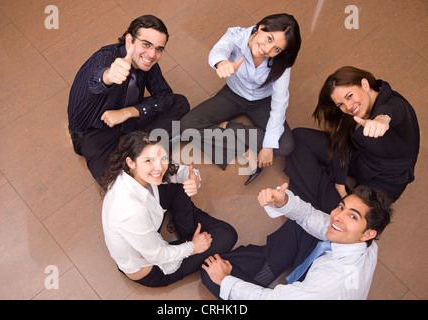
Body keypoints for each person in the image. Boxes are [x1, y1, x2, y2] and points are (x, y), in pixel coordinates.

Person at [200, 182, 393, 300]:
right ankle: (264, 271)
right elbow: (311, 217)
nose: (337, 216)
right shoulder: (365, 243)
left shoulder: (331, 281)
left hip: (314, 292)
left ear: (368, 233)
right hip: (315, 285)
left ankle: (254, 280)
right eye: (341, 207)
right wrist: (283, 202)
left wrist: (225, 280)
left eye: (352, 217)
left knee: (212, 275)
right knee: (304, 225)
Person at [100, 131, 237, 287]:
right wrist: (193, 247)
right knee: (227, 235)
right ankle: (190, 231)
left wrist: (193, 180)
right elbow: (157, 255)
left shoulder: (130, 173)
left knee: (178, 181)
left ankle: (188, 229)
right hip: (152, 266)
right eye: (149, 160)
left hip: (147, 227)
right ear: (131, 162)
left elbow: (181, 171)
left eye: (163, 158)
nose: (159, 167)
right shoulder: (131, 211)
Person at [180, 14, 301, 185]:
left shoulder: (282, 63)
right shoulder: (237, 36)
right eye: (268, 38)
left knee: (286, 145)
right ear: (261, 26)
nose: (267, 49)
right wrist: (222, 63)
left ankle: (230, 128)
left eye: (276, 49)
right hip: (233, 95)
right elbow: (219, 50)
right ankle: (243, 148)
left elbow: (280, 104)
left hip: (262, 102)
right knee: (187, 124)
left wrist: (267, 148)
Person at [68, 15, 190, 182]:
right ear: (129, 40)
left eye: (159, 49)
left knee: (179, 103)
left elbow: (165, 96)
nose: (152, 54)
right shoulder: (105, 59)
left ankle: (140, 148)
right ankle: (144, 153)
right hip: (95, 130)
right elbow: (95, 80)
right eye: (146, 44)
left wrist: (128, 112)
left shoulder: (146, 62)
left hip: (126, 117)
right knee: (112, 181)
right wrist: (109, 76)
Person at [285, 66, 420, 212]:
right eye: (340, 104)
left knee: (350, 217)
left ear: (365, 84)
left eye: (349, 96)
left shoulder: (394, 104)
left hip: (384, 180)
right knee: (299, 137)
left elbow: (391, 112)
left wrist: (382, 120)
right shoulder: (355, 111)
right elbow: (343, 143)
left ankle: (319, 192)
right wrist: (340, 183)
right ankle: (325, 191)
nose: (348, 106)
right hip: (360, 158)